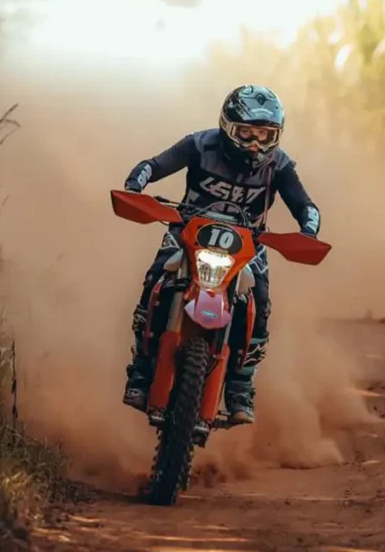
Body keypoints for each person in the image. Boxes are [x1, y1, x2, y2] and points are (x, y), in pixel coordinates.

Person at [121, 84, 322, 425]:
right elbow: (152, 166)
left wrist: (308, 231)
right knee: (156, 279)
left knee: (259, 301)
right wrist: (135, 186)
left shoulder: (280, 164)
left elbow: (305, 205)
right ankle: (141, 371)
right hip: (188, 232)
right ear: (228, 127)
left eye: (265, 135)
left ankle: (241, 386)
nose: (255, 144)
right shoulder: (199, 144)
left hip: (248, 245)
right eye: (246, 133)